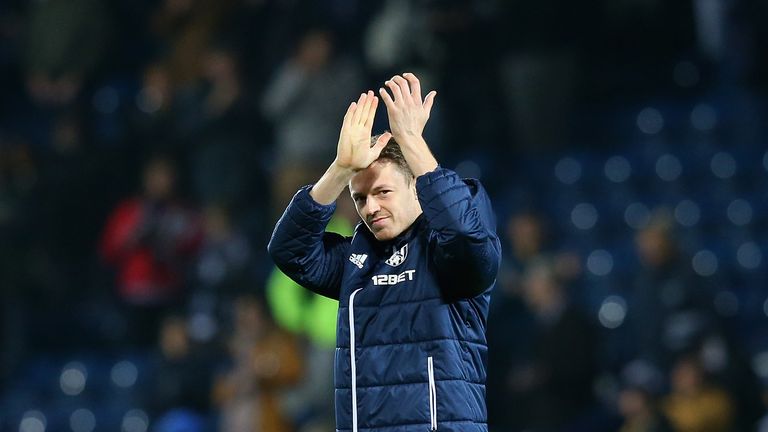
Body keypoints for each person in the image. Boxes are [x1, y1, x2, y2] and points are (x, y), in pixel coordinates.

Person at [268, 73, 501, 431]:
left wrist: (410, 141)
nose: (370, 206)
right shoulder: (356, 260)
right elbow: (289, 251)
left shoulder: (447, 252)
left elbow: (465, 236)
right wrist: (340, 169)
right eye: (359, 198)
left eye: (383, 192)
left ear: (417, 188)